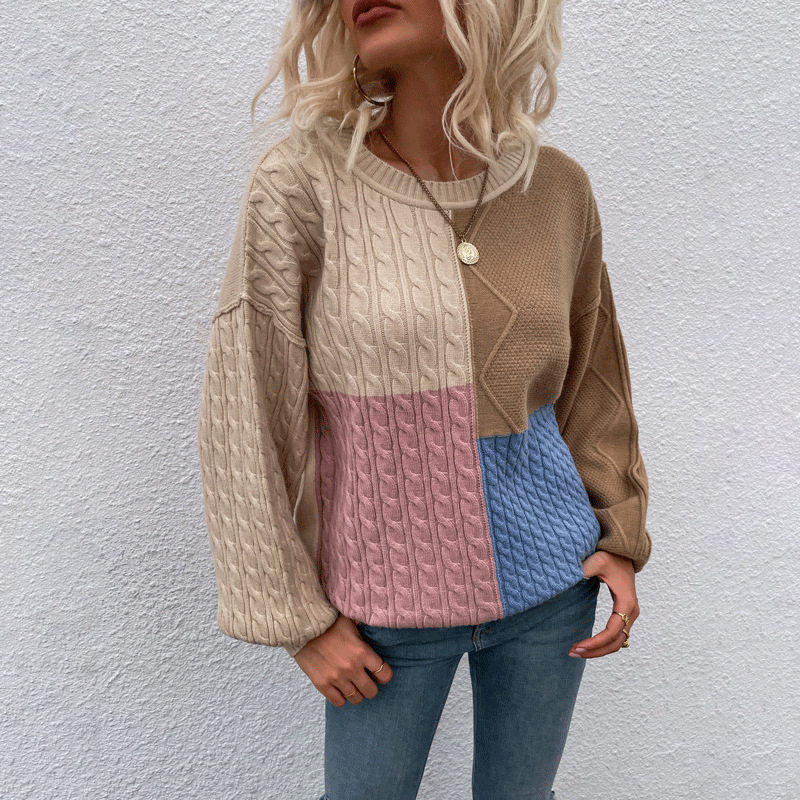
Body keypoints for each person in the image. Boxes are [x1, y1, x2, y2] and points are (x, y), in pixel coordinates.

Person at [196, 0, 652, 798]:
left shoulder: (557, 188)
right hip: (386, 606)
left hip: (554, 587)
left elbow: (593, 381)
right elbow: (245, 410)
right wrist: (298, 621)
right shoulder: (303, 184)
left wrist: (621, 535)